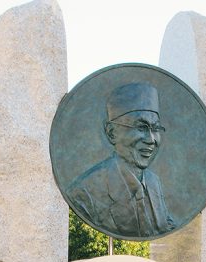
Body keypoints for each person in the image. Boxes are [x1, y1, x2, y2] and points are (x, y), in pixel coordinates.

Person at [67, 82, 176, 239]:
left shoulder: (153, 182)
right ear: (111, 133)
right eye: (141, 127)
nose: (151, 140)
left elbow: (166, 227)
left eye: (156, 128)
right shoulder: (84, 194)